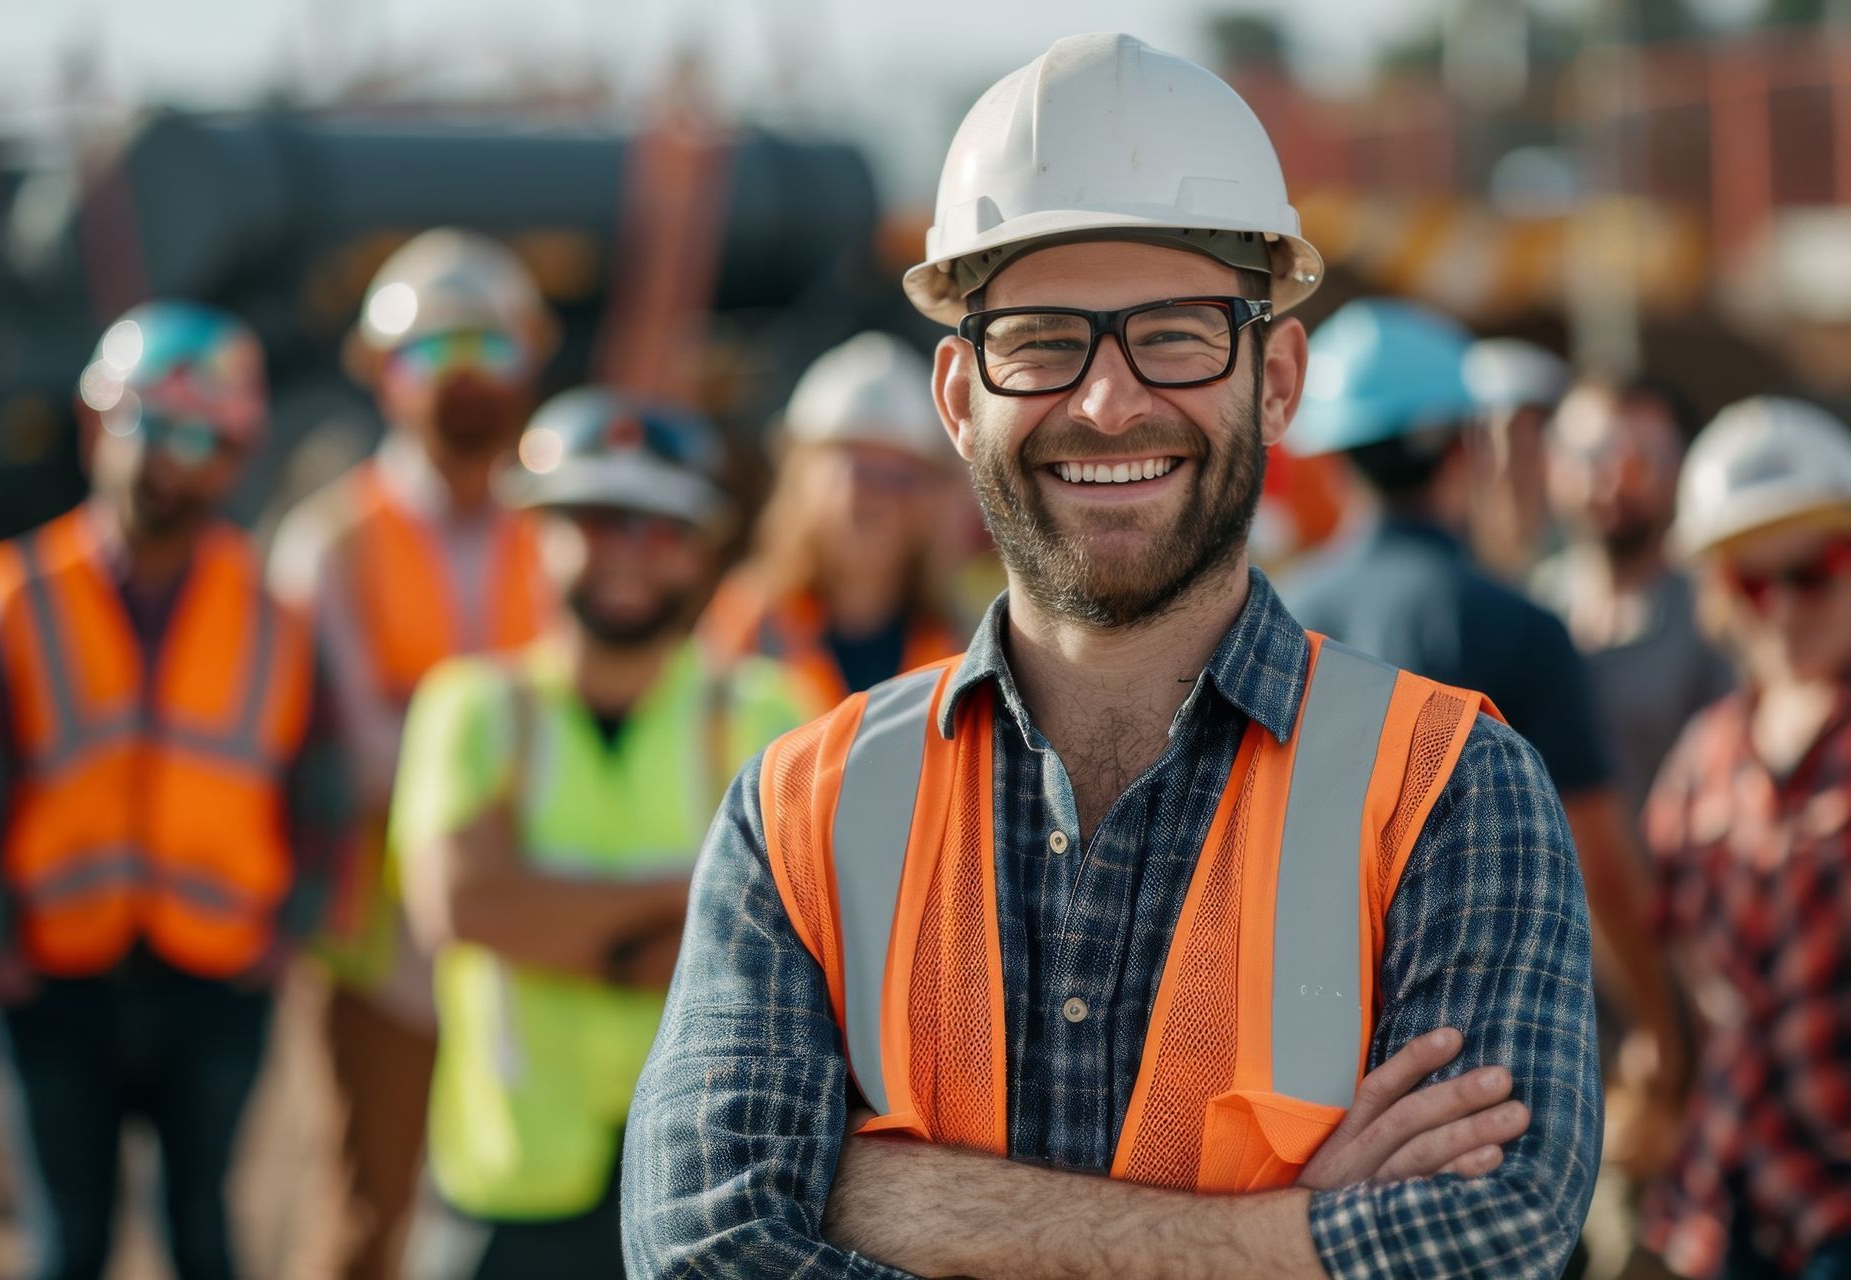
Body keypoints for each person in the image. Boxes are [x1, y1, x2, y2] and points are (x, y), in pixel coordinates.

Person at [624, 35, 1601, 1279]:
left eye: (1180, 334)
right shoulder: (798, 812)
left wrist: (909, 1200)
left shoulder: (1452, 788)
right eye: (1039, 339)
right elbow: (704, 1246)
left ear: (1279, 378)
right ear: (957, 396)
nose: (1106, 402)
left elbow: (1490, 1233)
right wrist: (1284, 1236)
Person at [0, 302, 353, 1280]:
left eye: (206, 437)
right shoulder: (17, 597)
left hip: (213, 977)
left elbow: (320, 792)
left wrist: (284, 935)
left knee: (204, 1235)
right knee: (67, 1242)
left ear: (238, 453)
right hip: (53, 975)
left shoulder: (273, 615)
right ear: (97, 427)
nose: (174, 458)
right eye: (154, 427)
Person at [390, 389, 807, 1280]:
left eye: (660, 528)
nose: (629, 553)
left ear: (701, 548)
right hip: (513, 1179)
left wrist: (553, 916)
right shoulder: (470, 708)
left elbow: (804, 945)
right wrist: (699, 908)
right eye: (599, 520)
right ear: (539, 533)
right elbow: (465, 905)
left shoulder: (768, 710)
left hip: (711, 1184)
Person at [1280, 298, 1683, 1125]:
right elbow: (1596, 860)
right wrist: (1658, 1024)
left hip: (1295, 1061)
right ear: (1465, 446)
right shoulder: (1518, 627)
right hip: (1479, 1073)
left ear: (1331, 455)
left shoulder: (1273, 620)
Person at [267, 228, 556, 1280]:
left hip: (534, 937)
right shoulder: (329, 544)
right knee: (365, 1219)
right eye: (432, 355)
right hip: (379, 948)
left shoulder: (561, 527)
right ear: (382, 376)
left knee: (520, 1215)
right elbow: (357, 756)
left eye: (489, 351)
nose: (464, 382)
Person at [1640, 397, 1851, 1280]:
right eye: (1754, 582)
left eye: (1814, 571)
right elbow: (1673, 960)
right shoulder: (1704, 759)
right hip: (1718, 1206)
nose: (1786, 606)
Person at [701, 331, 961, 712]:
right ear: (800, 476)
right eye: (859, 471)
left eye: (903, 477)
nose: (879, 500)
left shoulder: (970, 637)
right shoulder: (746, 628)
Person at [1532, 375, 1734, 813]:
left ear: (1683, 468)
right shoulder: (1529, 604)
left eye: (1638, 462)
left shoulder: (1720, 612)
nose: (1610, 481)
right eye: (1589, 456)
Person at [1462, 336, 1571, 579]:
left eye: (1520, 435)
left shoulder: (1587, 546)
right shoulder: (1448, 550)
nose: (1503, 461)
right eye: (1483, 436)